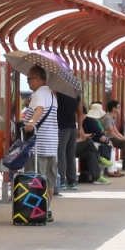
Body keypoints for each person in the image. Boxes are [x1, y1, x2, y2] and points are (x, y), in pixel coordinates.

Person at [21, 66, 60, 221]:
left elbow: (40, 109)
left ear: (37, 79)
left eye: (29, 80)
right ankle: (47, 210)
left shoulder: (38, 94)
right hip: (52, 144)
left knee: (35, 179)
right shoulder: (52, 95)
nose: (28, 83)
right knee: (49, 181)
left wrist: (31, 122)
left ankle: (36, 212)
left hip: (39, 146)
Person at [80, 103, 113, 183]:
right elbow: (100, 136)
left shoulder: (84, 122)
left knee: (91, 153)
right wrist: (108, 140)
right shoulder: (91, 121)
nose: (84, 117)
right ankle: (101, 160)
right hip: (77, 145)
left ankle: (95, 176)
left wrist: (84, 136)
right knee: (89, 142)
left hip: (80, 144)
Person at [56, 87, 80, 193]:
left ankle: (61, 180)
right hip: (72, 126)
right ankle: (72, 181)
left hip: (61, 126)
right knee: (71, 154)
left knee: (61, 153)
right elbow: (80, 112)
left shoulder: (58, 92)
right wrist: (80, 127)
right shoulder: (76, 93)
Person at [103, 100, 125, 171]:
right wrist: (123, 140)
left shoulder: (111, 118)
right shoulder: (107, 118)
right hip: (108, 139)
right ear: (113, 108)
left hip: (112, 137)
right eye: (118, 107)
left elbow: (116, 132)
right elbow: (111, 133)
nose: (120, 109)